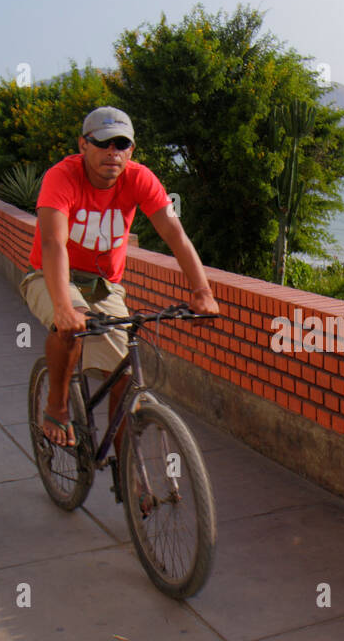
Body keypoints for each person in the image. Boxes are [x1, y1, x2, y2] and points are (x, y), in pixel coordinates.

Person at [22, 106, 218, 450]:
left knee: (125, 377)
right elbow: (53, 243)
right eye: (103, 143)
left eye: (121, 145)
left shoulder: (140, 178)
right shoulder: (62, 176)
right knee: (69, 327)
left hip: (104, 284)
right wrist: (64, 307)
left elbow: (176, 235)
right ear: (83, 145)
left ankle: (129, 471)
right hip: (50, 274)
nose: (113, 153)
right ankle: (56, 405)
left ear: (131, 150)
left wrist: (201, 291)